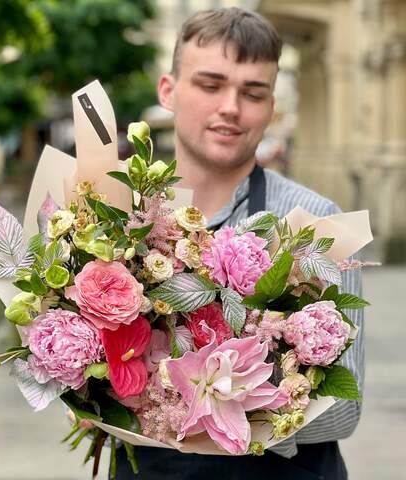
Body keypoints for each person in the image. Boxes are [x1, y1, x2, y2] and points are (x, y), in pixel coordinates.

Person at [115, 7, 363, 480]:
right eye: (210, 85)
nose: (230, 106)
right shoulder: (118, 223)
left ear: (271, 107)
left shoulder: (317, 224)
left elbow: (343, 412)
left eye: (252, 92)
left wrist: (214, 412)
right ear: (168, 91)